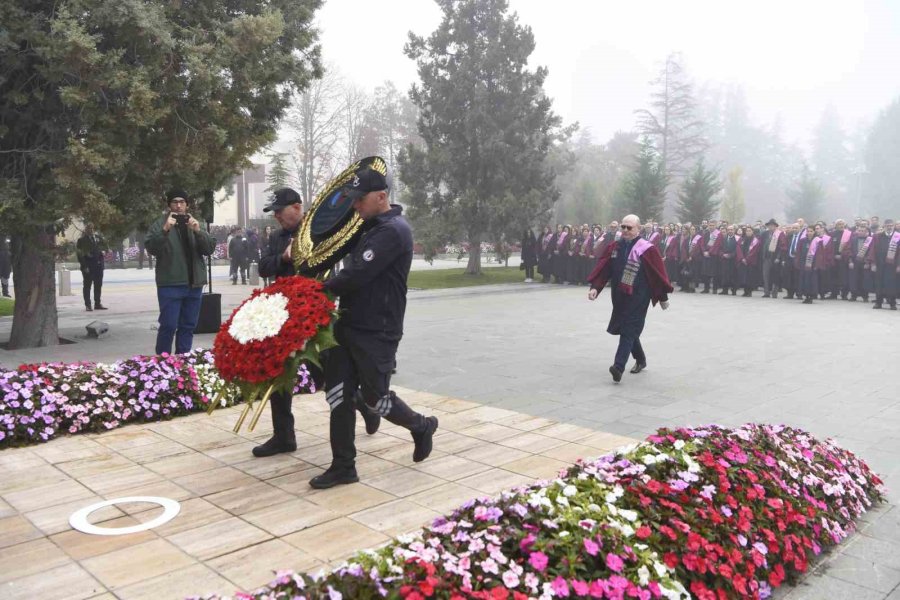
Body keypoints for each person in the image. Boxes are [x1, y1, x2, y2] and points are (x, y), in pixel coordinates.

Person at [310, 160, 438, 489]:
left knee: (376, 399)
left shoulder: (394, 231)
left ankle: (421, 426)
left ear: (380, 197)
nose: (354, 204)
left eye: (359, 198)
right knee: (337, 393)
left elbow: (357, 274)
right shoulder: (368, 226)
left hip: (377, 330)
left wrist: (316, 289)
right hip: (349, 323)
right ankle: (343, 466)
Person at [587, 214, 672, 383]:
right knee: (628, 329)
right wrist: (596, 288)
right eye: (623, 227)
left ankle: (618, 367)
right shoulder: (614, 247)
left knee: (628, 329)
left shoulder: (648, 249)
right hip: (619, 295)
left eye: (629, 227)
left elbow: (657, 274)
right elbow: (605, 270)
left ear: (638, 229)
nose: (625, 230)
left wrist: (662, 297)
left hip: (639, 296)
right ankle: (640, 359)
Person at [145, 190, 217, 355]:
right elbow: (152, 248)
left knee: (188, 326)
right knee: (169, 325)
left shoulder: (193, 223)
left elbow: (209, 249)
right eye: (175, 202)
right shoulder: (160, 224)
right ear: (169, 205)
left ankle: (183, 361)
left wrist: (198, 231)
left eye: (182, 202)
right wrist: (165, 230)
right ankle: (162, 362)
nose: (178, 205)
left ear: (187, 204)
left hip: (194, 285)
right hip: (171, 284)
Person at [76, 224, 108, 311]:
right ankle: (88, 305)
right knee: (87, 286)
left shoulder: (98, 238)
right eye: (89, 228)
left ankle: (97, 303)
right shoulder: (81, 240)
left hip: (98, 266)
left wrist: (102, 259)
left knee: (98, 285)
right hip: (88, 266)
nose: (91, 230)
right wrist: (84, 266)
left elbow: (104, 248)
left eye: (93, 228)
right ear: (86, 230)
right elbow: (80, 255)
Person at [869, 219, 899, 310]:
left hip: (892, 265)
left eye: (891, 225)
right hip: (880, 264)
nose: (889, 227)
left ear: (893, 226)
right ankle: (878, 302)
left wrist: (899, 265)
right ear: (884, 226)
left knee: (892, 284)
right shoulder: (877, 236)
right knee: (879, 283)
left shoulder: (897, 237)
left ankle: (892, 303)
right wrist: (873, 263)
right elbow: (872, 250)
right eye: (887, 225)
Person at [760, 219, 785, 298]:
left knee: (775, 275)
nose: (771, 226)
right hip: (766, 257)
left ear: (775, 226)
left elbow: (782, 247)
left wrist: (778, 257)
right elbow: (761, 244)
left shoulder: (780, 234)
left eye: (772, 225)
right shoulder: (765, 234)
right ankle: (766, 292)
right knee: (765, 275)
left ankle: (774, 292)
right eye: (769, 225)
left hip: (775, 258)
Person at [0, 234, 11, 298]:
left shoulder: (6, 232)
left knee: (5, 275)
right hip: (4, 254)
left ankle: (5, 292)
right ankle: (5, 292)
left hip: (6, 255)